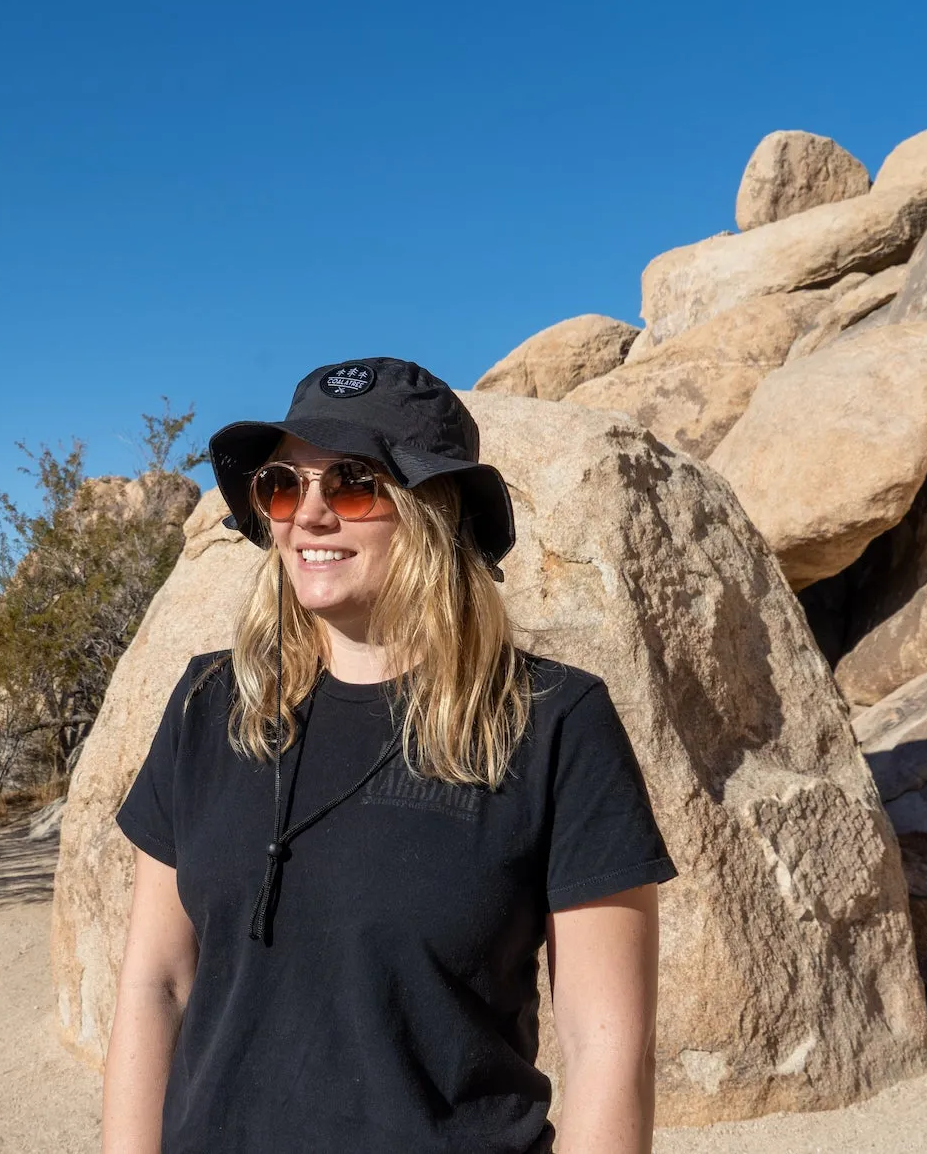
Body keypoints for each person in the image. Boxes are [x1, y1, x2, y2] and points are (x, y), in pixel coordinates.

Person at [101, 357, 675, 1154]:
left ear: (433, 508)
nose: (309, 516)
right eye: (282, 485)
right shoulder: (209, 707)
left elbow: (608, 1046)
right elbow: (155, 982)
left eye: (351, 483)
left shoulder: (553, 725)